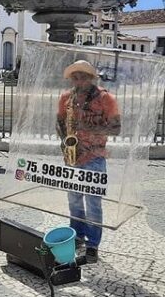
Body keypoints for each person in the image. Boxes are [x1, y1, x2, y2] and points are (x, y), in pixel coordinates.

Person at [56, 60, 121, 263]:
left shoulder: (106, 98)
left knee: (93, 203)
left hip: (95, 156)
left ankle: (93, 245)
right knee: (74, 200)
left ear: (91, 77)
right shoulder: (66, 98)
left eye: (82, 76)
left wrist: (87, 127)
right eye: (75, 77)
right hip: (72, 156)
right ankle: (77, 237)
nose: (78, 80)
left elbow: (116, 129)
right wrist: (64, 141)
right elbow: (59, 122)